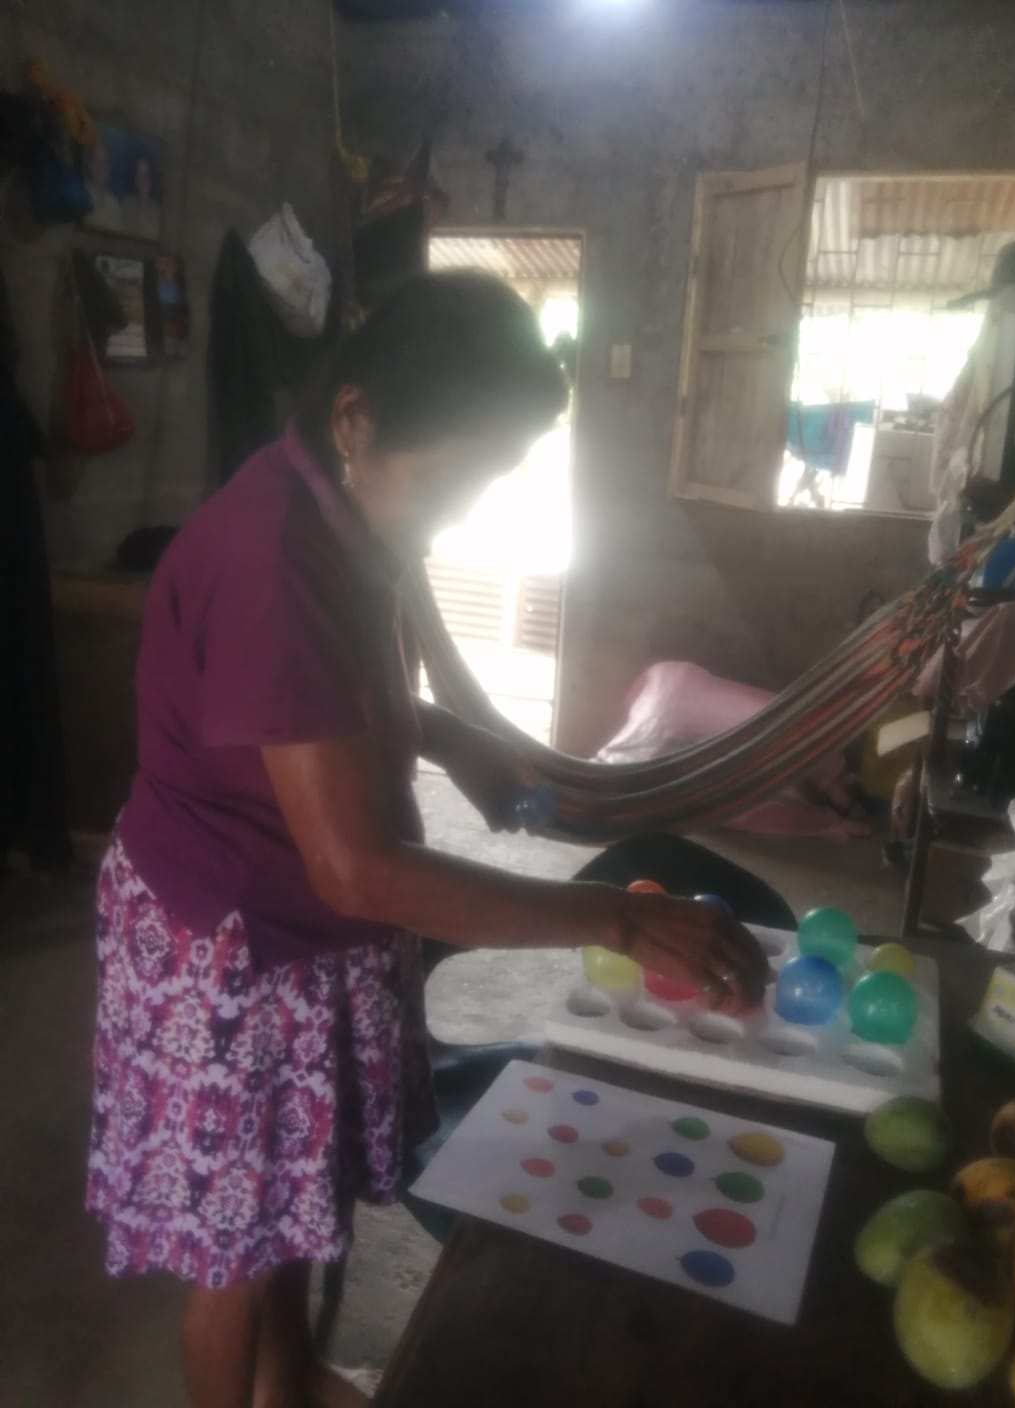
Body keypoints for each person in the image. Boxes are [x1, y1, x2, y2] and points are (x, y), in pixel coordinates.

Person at [86, 271, 767, 1408]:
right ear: (355, 419)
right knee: (234, 1253)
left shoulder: (339, 510)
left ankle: (293, 1381)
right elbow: (356, 869)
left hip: (299, 922)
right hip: (232, 945)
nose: (464, 506)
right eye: (458, 476)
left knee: (290, 1200)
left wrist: (450, 737)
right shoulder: (271, 555)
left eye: (492, 478)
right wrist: (615, 918)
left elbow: (325, 699)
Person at [121, 152, 160, 240]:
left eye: (147, 175)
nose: (144, 180)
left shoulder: (157, 212)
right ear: (135, 179)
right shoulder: (127, 206)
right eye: (141, 175)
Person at [86, 139, 122, 233]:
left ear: (109, 168)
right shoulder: (81, 196)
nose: (101, 167)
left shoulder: (114, 204)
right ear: (90, 165)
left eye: (104, 162)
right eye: (97, 161)